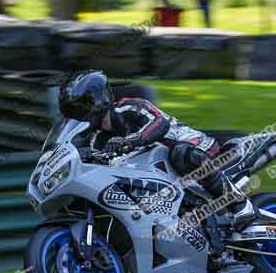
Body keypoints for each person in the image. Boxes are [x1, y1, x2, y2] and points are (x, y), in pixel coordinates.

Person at [57, 70, 256, 232]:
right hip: (161, 174)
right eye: (73, 112)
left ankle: (239, 203)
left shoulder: (129, 107)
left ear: (96, 99)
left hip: (194, 148)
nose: (77, 115)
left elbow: (159, 124)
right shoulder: (97, 139)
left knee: (180, 154)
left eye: (79, 108)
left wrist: (130, 141)